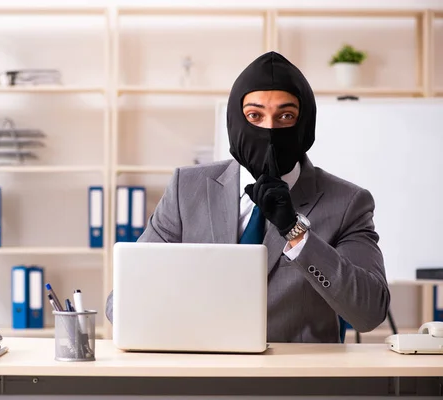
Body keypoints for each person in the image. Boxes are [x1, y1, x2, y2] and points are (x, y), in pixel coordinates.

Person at [105, 51, 390, 343]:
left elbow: (369, 313)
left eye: (286, 116)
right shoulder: (186, 189)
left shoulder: (348, 202)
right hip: (200, 372)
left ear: (305, 124)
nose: (269, 129)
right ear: (235, 120)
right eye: (255, 115)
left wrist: (295, 232)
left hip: (296, 380)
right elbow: (121, 303)